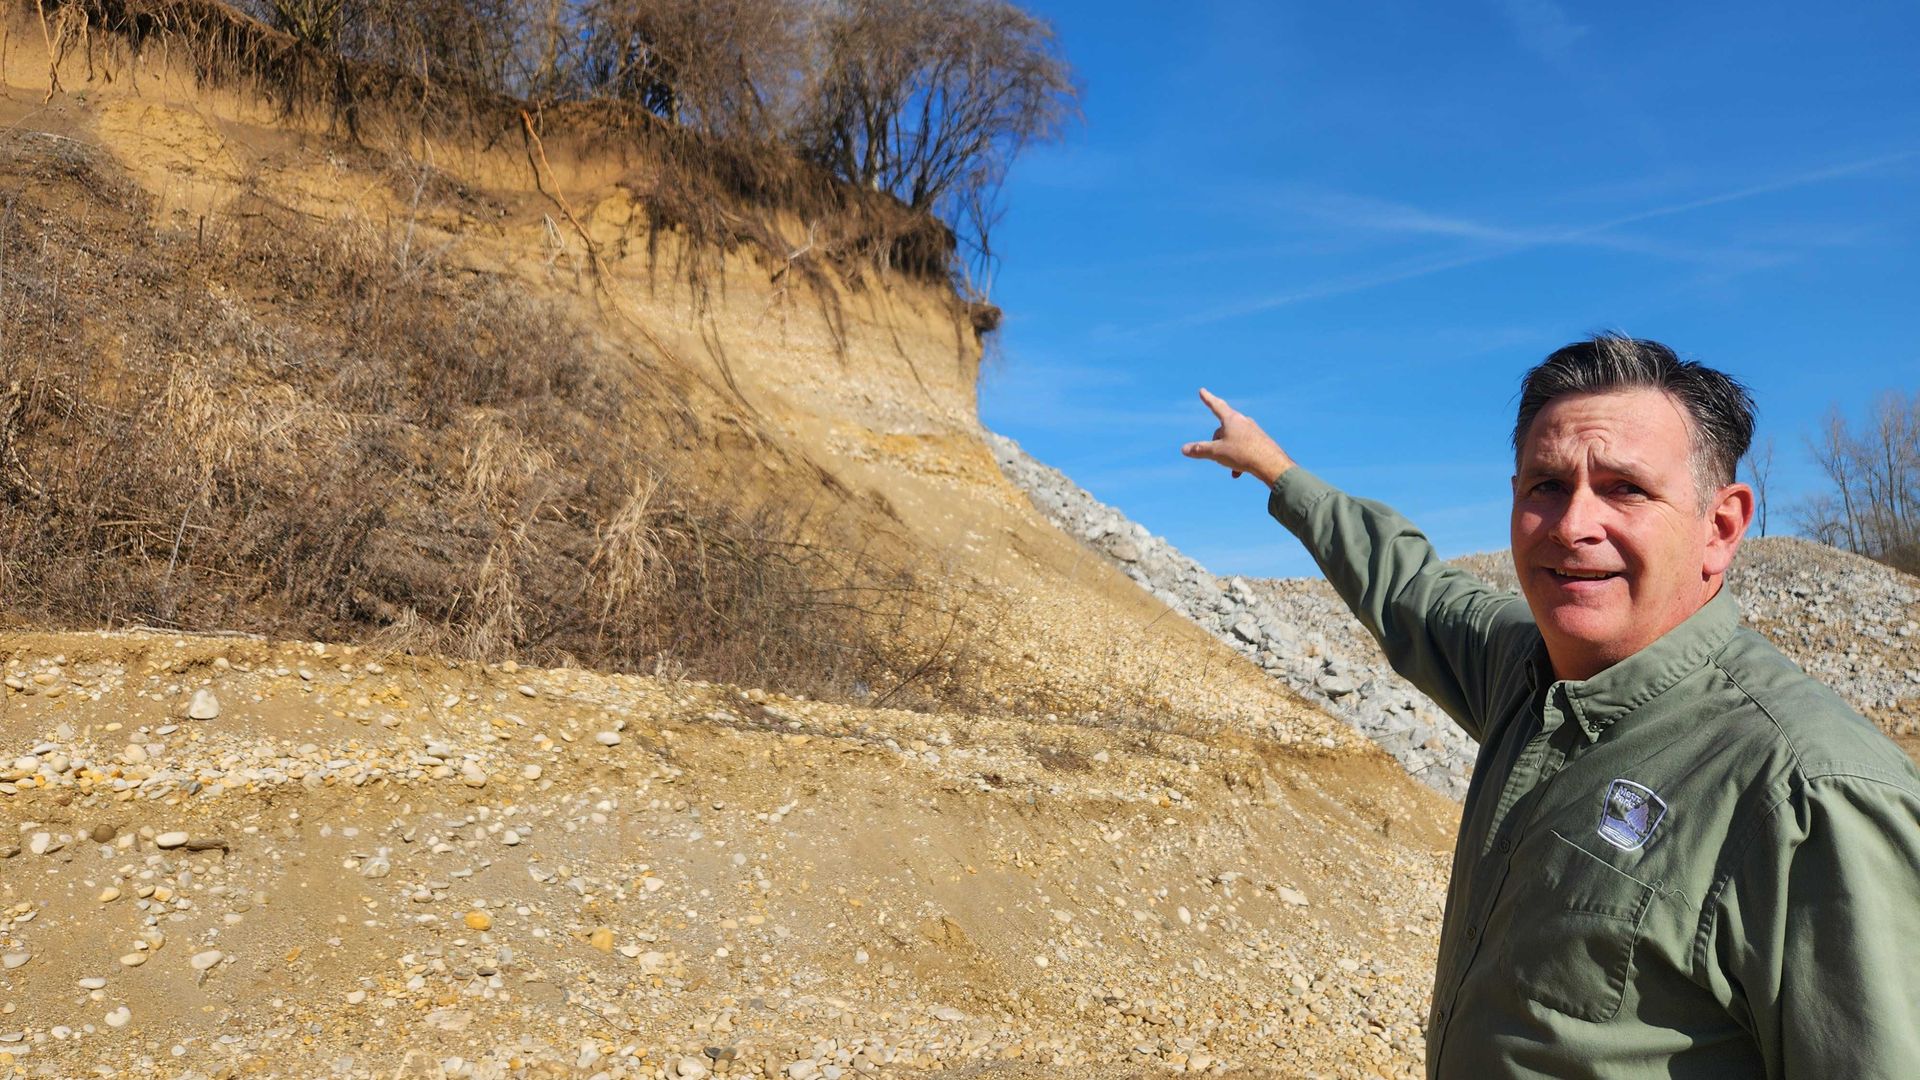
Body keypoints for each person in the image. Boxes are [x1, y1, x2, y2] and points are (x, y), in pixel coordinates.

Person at [1179, 334, 1920, 1079]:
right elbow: (1405, 585)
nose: (1572, 526)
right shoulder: (1523, 669)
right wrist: (1275, 470)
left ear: (1721, 527)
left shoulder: (1811, 798)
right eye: (1546, 485)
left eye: (1625, 488)